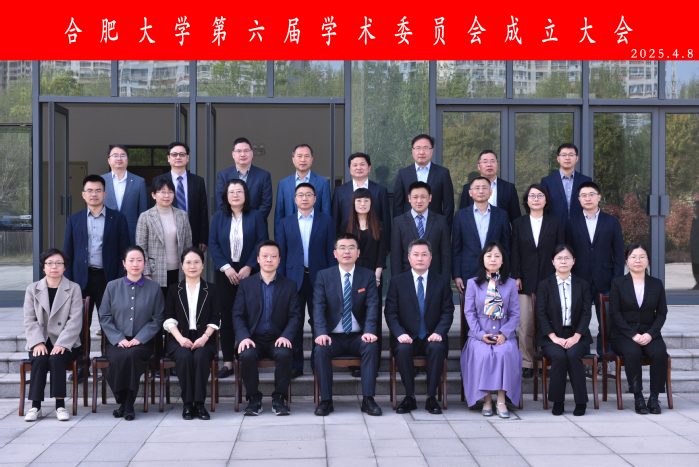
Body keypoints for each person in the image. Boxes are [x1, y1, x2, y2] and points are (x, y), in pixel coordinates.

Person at [64, 174, 129, 377]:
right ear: (83, 194)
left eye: (98, 190)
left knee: (109, 322)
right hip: (81, 279)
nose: (94, 194)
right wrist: (70, 282)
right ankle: (82, 365)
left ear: (105, 193)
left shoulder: (118, 219)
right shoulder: (74, 219)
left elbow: (124, 252)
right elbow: (68, 253)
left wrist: (119, 280)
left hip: (108, 279)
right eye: (90, 191)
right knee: (80, 323)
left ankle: (108, 363)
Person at [313, 233, 381, 416]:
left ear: (358, 253)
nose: (347, 251)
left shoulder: (367, 276)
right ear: (335, 253)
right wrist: (321, 332)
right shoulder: (323, 276)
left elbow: (372, 306)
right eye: (342, 248)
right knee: (320, 349)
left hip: (358, 336)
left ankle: (368, 400)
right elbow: (318, 307)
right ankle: (326, 400)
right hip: (332, 336)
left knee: (371, 346)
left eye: (351, 247)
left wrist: (369, 331)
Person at [233, 241, 303, 416]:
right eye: (265, 256)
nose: (269, 260)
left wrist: (286, 336)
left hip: (277, 338)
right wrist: (244, 337)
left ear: (279, 260)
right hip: (252, 337)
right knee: (247, 354)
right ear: (258, 259)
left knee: (285, 353)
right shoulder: (246, 284)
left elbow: (295, 316)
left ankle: (279, 398)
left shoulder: (289, 285)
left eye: (273, 256)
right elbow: (237, 314)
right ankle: (254, 399)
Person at [384, 239, 454, 414]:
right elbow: (390, 312)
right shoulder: (397, 281)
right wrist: (399, 333)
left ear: (431, 258)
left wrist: (439, 332)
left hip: (432, 335)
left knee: (437, 348)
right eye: (416, 254)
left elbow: (447, 311)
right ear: (409, 257)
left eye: (424, 254)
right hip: (406, 336)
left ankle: (431, 397)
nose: (420, 258)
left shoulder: (442, 282)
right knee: (403, 350)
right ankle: (410, 397)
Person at [209, 179, 268, 378]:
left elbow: (261, 242)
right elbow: (213, 243)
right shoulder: (219, 216)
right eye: (231, 192)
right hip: (225, 273)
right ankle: (227, 362)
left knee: (250, 315)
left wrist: (249, 266)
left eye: (239, 191)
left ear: (246, 195)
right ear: (226, 196)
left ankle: (247, 357)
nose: (235, 195)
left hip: (249, 272)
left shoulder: (256, 216)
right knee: (226, 317)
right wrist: (226, 268)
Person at [276, 183, 336, 379]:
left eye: (308, 195)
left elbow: (331, 252)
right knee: (295, 321)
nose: (304, 198)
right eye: (300, 195)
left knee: (319, 321)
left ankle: (318, 362)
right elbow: (282, 255)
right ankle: (296, 364)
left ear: (315, 199)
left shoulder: (326, 221)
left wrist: (331, 278)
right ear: (295, 199)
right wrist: (282, 281)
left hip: (319, 278)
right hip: (293, 279)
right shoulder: (285, 223)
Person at [99, 246, 165, 421]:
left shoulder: (154, 288)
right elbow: (104, 317)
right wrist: (118, 338)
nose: (135, 264)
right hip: (117, 341)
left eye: (139, 260)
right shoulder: (112, 286)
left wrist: (139, 338)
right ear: (124, 263)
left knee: (132, 355)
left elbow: (157, 318)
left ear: (144, 263)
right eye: (131, 260)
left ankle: (126, 404)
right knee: (120, 357)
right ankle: (125, 401)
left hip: (143, 342)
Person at [461, 241, 522, 419]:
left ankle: (501, 400)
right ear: (483, 259)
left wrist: (504, 334)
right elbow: (469, 312)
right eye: (489, 256)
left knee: (504, 352)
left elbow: (515, 314)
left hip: (504, 334)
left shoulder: (510, 284)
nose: (493, 259)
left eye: (497, 256)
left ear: (502, 260)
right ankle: (487, 399)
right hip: (479, 335)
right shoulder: (472, 283)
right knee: (484, 354)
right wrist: (480, 335)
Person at [23, 249, 84, 422]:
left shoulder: (73, 288)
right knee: (40, 359)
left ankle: (60, 405)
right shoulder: (32, 289)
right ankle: (35, 406)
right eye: (49, 263)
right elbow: (29, 319)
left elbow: (75, 321)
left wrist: (62, 343)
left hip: (66, 342)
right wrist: (37, 342)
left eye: (59, 263)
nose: (54, 267)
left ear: (65, 267)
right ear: (43, 267)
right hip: (41, 340)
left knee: (56, 358)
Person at [511, 184, 564, 379]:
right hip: (525, 280)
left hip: (550, 280)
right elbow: (514, 251)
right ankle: (527, 362)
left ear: (546, 200)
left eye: (540, 195)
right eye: (532, 195)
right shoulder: (519, 223)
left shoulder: (555, 222)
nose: (535, 199)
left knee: (547, 322)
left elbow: (560, 250)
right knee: (525, 324)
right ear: (526, 200)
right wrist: (516, 275)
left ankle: (545, 363)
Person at [565, 181, 624, 356]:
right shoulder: (571, 223)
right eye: (583, 195)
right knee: (579, 319)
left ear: (599, 197)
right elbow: (567, 252)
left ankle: (605, 355)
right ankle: (582, 354)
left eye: (591, 194)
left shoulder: (612, 222)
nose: (588, 198)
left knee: (606, 321)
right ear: (578, 199)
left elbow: (619, 253)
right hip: (579, 278)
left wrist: (617, 280)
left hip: (605, 279)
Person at [609, 243, 669, 415]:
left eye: (642, 256)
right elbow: (615, 313)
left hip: (650, 333)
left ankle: (654, 398)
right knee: (633, 352)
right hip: (623, 335)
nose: (638, 260)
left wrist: (651, 334)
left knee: (660, 353)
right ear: (627, 261)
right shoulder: (618, 283)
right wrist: (633, 335)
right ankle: (638, 397)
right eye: (633, 257)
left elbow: (662, 313)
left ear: (647, 260)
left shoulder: (656, 284)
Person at [163, 247, 220, 420]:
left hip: (204, 337)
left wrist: (205, 337)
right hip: (179, 337)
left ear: (203, 265)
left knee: (201, 357)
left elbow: (216, 317)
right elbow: (168, 318)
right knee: (185, 357)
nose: (192, 266)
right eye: (188, 262)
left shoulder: (212, 289)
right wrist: (180, 339)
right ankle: (188, 404)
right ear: (182, 265)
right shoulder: (174, 289)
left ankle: (200, 404)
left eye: (196, 262)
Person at [535, 244, 592, 416]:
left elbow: (586, 313)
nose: (563, 261)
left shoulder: (582, 284)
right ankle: (557, 401)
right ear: (553, 262)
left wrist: (576, 336)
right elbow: (541, 314)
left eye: (567, 258)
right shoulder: (544, 285)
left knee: (573, 355)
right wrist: (553, 337)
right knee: (559, 356)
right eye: (559, 258)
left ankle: (581, 402)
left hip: (578, 335)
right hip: (551, 336)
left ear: (573, 261)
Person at [341, 188, 387, 377]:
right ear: (353, 203)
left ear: (371, 204)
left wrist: (377, 276)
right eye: (359, 201)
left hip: (373, 275)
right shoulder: (346, 225)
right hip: (352, 274)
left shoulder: (379, 225)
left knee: (373, 316)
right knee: (355, 314)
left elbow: (382, 253)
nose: (362, 204)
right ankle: (356, 360)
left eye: (366, 201)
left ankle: (373, 363)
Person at [453, 176, 511, 295]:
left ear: (491, 192)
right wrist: (457, 275)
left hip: (496, 272)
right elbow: (456, 248)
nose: (481, 191)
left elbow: (506, 247)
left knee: (494, 306)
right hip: (468, 272)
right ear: (470, 193)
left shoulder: (502, 215)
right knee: (470, 306)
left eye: (484, 188)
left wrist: (506, 272)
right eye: (477, 188)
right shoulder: (460, 216)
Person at [136, 178, 192, 298]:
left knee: (177, 306)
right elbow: (141, 248)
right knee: (158, 306)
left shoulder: (182, 215)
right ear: (153, 195)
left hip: (179, 272)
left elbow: (188, 246)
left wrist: (189, 269)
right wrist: (145, 273)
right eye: (162, 192)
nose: (167, 196)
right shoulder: (145, 217)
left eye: (170, 192)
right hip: (155, 273)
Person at [152, 142, 210, 252]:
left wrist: (203, 238)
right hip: (166, 234)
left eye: (182, 154)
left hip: (192, 235)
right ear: (168, 158)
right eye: (174, 154)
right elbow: (153, 210)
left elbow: (203, 211)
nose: (178, 157)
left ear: (187, 158)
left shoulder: (198, 181)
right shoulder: (158, 180)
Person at [392, 181, 451, 278]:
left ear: (430, 198)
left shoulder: (440, 221)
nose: (419, 201)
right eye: (415, 197)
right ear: (409, 198)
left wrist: (445, 280)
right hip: (407, 277)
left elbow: (446, 254)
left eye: (423, 197)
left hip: (435, 277)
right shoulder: (399, 222)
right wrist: (397, 281)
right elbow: (396, 257)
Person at [331, 152, 391, 247]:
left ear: (369, 168)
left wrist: (386, 246)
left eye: (362, 164)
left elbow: (386, 220)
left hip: (374, 243)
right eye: (355, 165)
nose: (358, 168)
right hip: (347, 244)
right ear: (350, 169)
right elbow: (335, 220)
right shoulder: (339, 191)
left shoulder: (380, 190)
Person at [393, 134, 455, 226]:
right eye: (418, 148)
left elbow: (448, 206)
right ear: (412, 151)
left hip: (435, 228)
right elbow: (397, 206)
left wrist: (444, 229)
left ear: (432, 150)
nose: (421, 152)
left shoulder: (443, 173)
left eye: (426, 148)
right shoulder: (403, 174)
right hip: (409, 228)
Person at [274, 143, 332, 236]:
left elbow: (326, 212)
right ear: (293, 160)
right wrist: (279, 239)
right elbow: (279, 215)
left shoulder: (323, 182)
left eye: (307, 156)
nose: (303, 160)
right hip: (290, 235)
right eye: (299, 156)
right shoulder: (283, 183)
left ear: (312, 159)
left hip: (316, 234)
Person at [215, 137, 273, 223]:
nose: (242, 154)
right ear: (233, 154)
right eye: (238, 151)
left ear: (252, 153)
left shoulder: (263, 175)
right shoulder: (223, 175)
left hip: (255, 225)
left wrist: (252, 221)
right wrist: (234, 221)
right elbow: (221, 203)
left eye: (246, 151)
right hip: (230, 224)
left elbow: (266, 204)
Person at [102, 144, 148, 245]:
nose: (119, 158)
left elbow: (143, 211)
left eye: (123, 155)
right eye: (115, 155)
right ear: (109, 160)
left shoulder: (139, 181)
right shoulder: (101, 181)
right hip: (105, 231)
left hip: (131, 233)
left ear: (127, 160)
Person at [460, 150, 521, 225]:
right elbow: (462, 217)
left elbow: (516, 219)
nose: (489, 165)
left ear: (497, 165)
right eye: (485, 162)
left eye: (492, 161)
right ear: (478, 166)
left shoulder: (509, 188)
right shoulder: (468, 188)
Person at [540, 143, 592, 230]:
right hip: (554, 228)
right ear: (558, 158)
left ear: (577, 158)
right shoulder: (547, 181)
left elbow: (590, 206)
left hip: (580, 228)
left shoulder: (586, 181)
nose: (567, 158)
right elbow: (543, 207)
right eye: (564, 155)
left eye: (571, 155)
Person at [691, 201, 699, 290]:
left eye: (696, 207)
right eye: (693, 207)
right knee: (695, 265)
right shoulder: (694, 219)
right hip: (694, 247)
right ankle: (698, 283)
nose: (694, 209)